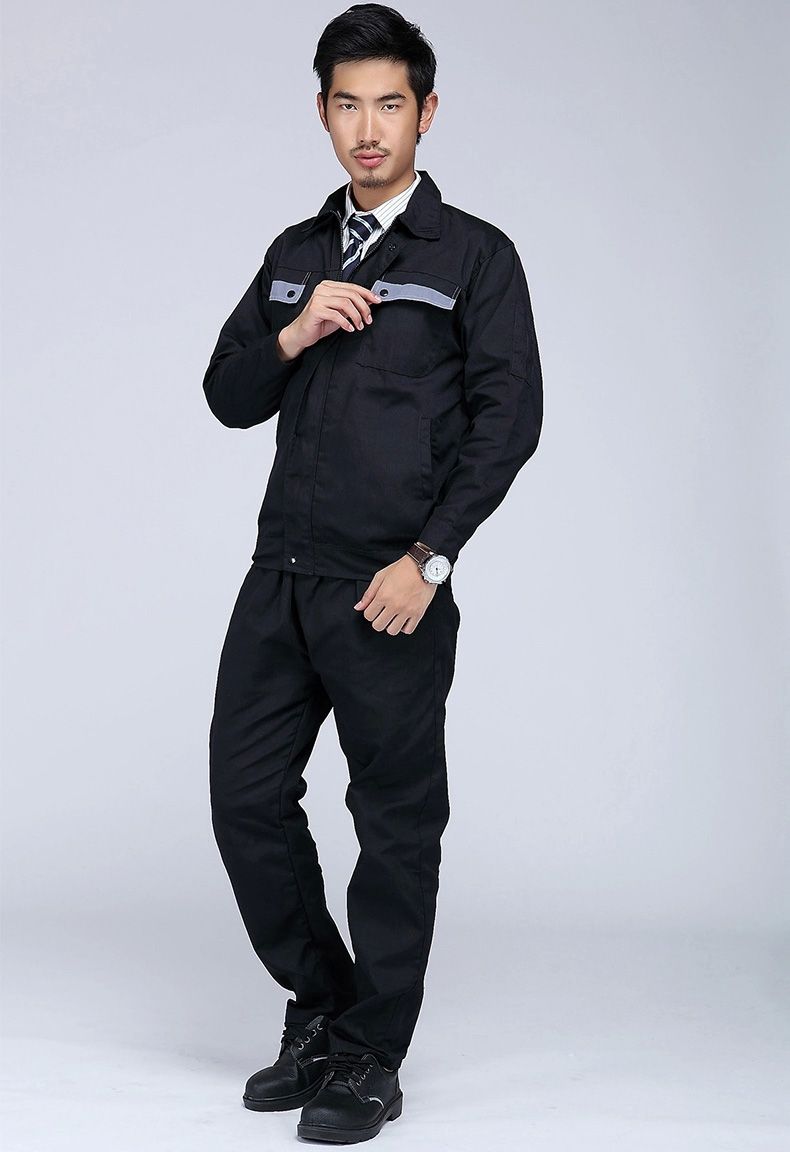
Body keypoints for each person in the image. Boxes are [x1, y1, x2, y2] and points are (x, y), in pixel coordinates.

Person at [201, 3, 543, 1142]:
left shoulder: (473, 256)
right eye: (346, 104)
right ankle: (323, 1007)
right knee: (245, 799)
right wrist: (293, 334)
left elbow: (508, 423)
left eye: (389, 103)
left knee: (395, 824)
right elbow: (227, 394)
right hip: (281, 575)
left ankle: (369, 1056)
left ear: (425, 112)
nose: (367, 128)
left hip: (389, 586)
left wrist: (429, 559)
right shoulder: (295, 255)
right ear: (322, 112)